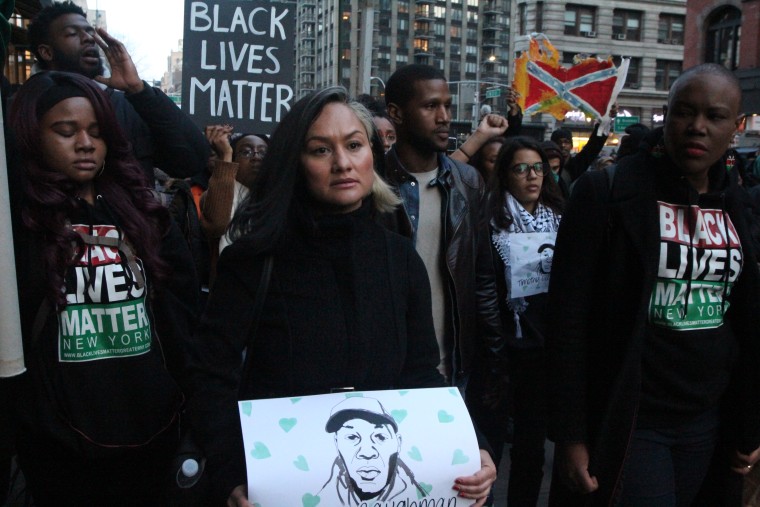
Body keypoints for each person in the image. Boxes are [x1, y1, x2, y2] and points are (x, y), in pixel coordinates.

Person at [184, 86, 497, 507]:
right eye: (320, 150)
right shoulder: (252, 261)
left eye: (354, 145)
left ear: (373, 154)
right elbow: (210, 377)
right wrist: (231, 473)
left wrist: (470, 445)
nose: (343, 163)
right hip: (278, 487)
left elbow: (422, 375)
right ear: (295, 163)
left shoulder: (400, 259)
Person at [546, 63, 760, 507]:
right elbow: (567, 320)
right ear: (667, 115)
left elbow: (747, 318)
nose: (697, 127)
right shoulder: (606, 191)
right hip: (631, 419)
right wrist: (571, 433)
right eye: (684, 112)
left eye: (715, 117)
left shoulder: (736, 202)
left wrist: (749, 422)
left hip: (709, 419)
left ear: (736, 127)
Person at [7, 71, 197, 506]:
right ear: (32, 136)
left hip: (153, 439)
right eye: (65, 131)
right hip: (59, 453)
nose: (86, 144)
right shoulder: (17, 223)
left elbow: (181, 322)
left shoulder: (142, 216)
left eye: (96, 131)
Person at [382, 63, 504, 387]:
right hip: (386, 367)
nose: (444, 117)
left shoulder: (468, 182)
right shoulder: (371, 183)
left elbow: (482, 278)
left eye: (447, 105)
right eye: (430, 106)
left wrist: (493, 359)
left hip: (452, 368)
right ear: (396, 112)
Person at [472, 137, 564, 506]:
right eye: (521, 168)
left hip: (542, 348)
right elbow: (482, 289)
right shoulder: (489, 221)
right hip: (500, 348)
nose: (532, 176)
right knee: (488, 447)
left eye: (538, 168)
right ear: (504, 174)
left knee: (531, 448)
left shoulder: (561, 218)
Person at [27, 1, 208, 182]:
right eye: (72, 34)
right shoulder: (24, 111)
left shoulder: (129, 104)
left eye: (90, 32)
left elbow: (191, 161)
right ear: (46, 53)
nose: (88, 38)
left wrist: (140, 91)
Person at [318, 397, 428, 505]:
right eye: (352, 437)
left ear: (398, 443)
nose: (367, 453)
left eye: (380, 437)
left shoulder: (422, 497)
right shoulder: (320, 497)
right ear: (337, 444)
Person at [201, 125, 268, 285]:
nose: (256, 157)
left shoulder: (280, 199)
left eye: (263, 152)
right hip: (232, 288)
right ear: (234, 162)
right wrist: (225, 154)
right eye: (246, 152)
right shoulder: (214, 194)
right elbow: (217, 225)